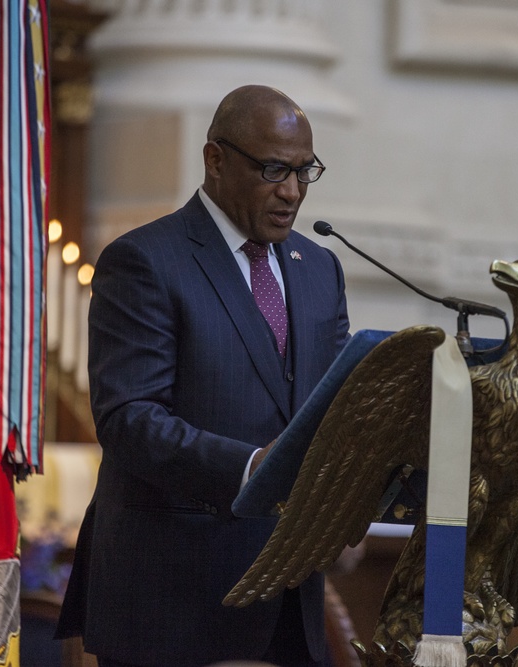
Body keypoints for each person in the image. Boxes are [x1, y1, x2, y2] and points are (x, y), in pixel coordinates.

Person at [56, 85, 350, 667]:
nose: (291, 192)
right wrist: (249, 469)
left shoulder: (320, 267)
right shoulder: (146, 260)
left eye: (304, 172)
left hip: (290, 600)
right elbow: (129, 420)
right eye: (273, 170)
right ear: (215, 160)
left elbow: (333, 405)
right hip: (173, 600)